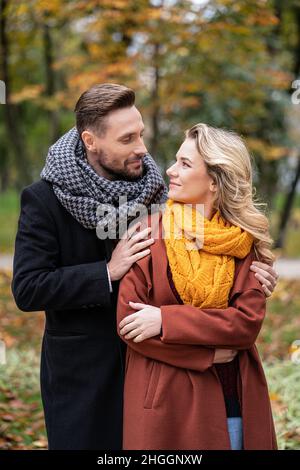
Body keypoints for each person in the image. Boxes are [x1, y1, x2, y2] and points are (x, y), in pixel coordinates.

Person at [12, 83, 277, 450]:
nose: (142, 148)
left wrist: (250, 275)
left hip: (163, 370)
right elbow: (28, 288)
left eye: (141, 133)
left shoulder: (156, 191)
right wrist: (107, 271)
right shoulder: (44, 200)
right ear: (91, 141)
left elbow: (211, 242)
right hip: (86, 374)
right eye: (127, 139)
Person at [117, 123, 278, 450]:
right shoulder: (150, 233)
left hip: (229, 402)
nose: (170, 170)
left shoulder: (244, 243)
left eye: (185, 164)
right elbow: (129, 324)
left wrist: (165, 321)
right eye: (176, 160)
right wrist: (207, 353)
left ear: (215, 183)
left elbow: (245, 326)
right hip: (163, 407)